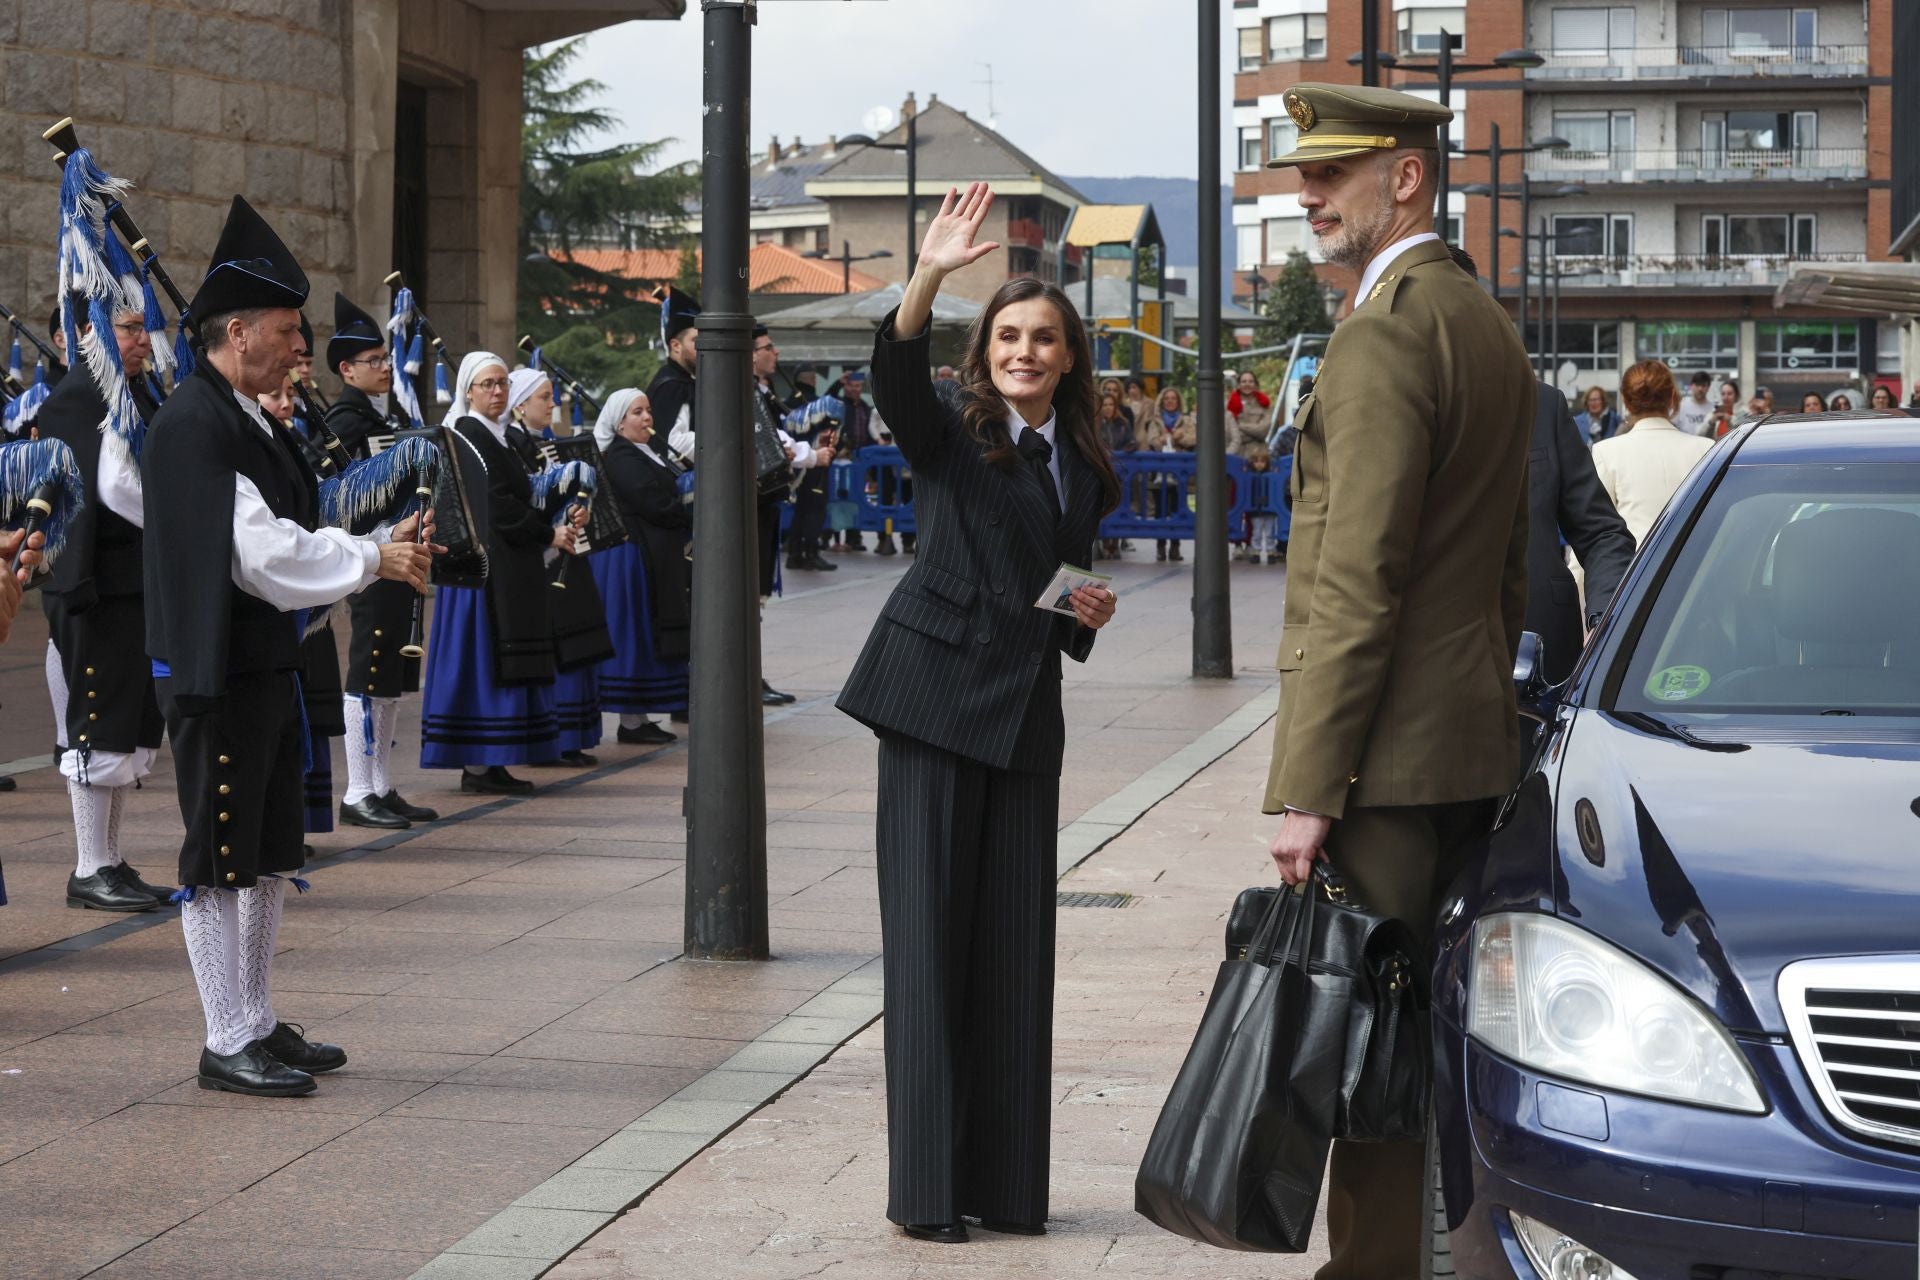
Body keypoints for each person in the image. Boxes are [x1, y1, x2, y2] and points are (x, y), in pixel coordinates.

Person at [1263, 83, 1535, 1277]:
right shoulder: (1481, 318)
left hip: (1378, 764)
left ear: (1408, 178)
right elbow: (1512, 569)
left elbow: (1356, 581)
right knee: (1433, 1043)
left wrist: (1312, 782)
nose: (1307, 192)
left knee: (1364, 1052)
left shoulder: (1383, 331)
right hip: (1463, 746)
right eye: (1303, 174)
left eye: (1333, 172)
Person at [836, 183, 1119, 1244]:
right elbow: (893, 375)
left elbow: (1049, 585)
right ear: (986, 350)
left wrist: (1080, 607)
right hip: (930, 705)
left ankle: (1006, 1187)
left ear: (1068, 354)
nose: (1025, 351)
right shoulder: (952, 432)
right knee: (927, 950)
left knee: (1013, 957)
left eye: (1044, 336)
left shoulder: (1085, 464)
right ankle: (925, 1194)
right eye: (1008, 335)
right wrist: (929, 276)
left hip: (1022, 721)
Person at [143, 196, 435, 1095]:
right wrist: (371, 556)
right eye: (285, 329)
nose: (298, 345)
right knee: (221, 852)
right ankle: (224, 1036)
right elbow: (263, 553)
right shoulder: (196, 421)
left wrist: (363, 547)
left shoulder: (246, 414)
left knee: (270, 849)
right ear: (237, 331)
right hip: (216, 669)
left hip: (261, 659)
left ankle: (258, 1019)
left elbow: (290, 527)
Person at [37, 285, 168, 911]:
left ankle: (110, 859)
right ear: (88, 333)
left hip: (134, 585)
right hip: (96, 589)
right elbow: (112, 494)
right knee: (97, 726)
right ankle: (90, 867)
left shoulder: (133, 393)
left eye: (144, 329)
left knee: (128, 728)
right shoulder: (77, 398)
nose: (143, 340)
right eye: (129, 329)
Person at [419, 352, 575, 794]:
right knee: (484, 661)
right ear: (468, 390)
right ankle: (479, 763)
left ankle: (495, 759)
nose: (497, 391)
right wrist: (547, 532)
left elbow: (518, 495)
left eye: (503, 383)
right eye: (487, 384)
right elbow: (498, 503)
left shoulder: (497, 435)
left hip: (508, 563)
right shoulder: (469, 433)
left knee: (502, 659)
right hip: (483, 571)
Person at [322, 292, 438, 827]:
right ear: (346, 369)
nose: (386, 366)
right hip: (371, 554)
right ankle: (357, 791)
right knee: (368, 667)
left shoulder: (385, 413)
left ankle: (382, 784)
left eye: (386, 358)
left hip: (401, 548)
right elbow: (340, 495)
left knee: (392, 670)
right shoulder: (344, 420)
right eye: (373, 361)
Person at [508, 368, 613, 766]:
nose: (553, 404)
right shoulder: (514, 446)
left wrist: (574, 510)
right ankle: (553, 737)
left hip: (565, 552)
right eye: (544, 397)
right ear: (520, 405)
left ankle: (573, 735)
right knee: (555, 644)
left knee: (579, 637)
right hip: (542, 556)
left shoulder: (543, 446)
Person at [591, 389, 691, 745]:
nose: (647, 418)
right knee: (634, 635)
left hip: (650, 553)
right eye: (638, 412)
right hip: (631, 556)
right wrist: (687, 501)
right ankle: (631, 721)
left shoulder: (647, 452)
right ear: (620, 422)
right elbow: (653, 501)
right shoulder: (620, 456)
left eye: (648, 410)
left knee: (645, 635)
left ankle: (640, 717)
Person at [1526, 384, 1634, 683]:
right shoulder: (1395, 398)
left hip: (1541, 656)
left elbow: (1602, 532)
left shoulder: (1543, 403)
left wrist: (1605, 622)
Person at [1590, 359, 1715, 548]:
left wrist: (1577, 576)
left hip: (1634, 571)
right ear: (1672, 397)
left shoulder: (1606, 452)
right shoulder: (1706, 448)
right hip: (1696, 569)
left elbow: (1596, 530)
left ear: (1626, 401)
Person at [651, 286, 700, 468]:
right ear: (676, 346)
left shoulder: (688, 381)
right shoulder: (671, 385)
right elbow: (673, 446)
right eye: (696, 341)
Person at [1148, 386, 1193, 563]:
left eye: (1173, 398)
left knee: (1177, 509)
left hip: (1180, 474)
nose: (1170, 401)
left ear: (1178, 401)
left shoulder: (1186, 420)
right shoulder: (1155, 421)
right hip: (1160, 472)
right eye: (1166, 398)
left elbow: (1193, 438)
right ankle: (1160, 547)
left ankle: (1175, 547)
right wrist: (1170, 438)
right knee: (1161, 510)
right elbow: (1153, 441)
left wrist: (1175, 438)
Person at [1094, 390, 1132, 559]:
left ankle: (1115, 543)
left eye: (1111, 405)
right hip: (1101, 472)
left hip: (1119, 473)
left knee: (1118, 505)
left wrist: (1124, 451)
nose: (1108, 408)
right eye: (1105, 405)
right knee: (1102, 507)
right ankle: (1104, 543)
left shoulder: (1123, 423)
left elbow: (1132, 441)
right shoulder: (1095, 424)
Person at [1226, 369, 1269, 457]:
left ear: (1256, 385)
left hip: (1259, 456)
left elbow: (1262, 431)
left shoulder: (1264, 404)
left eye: (1250, 381)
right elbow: (1227, 432)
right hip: (1235, 453)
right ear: (1238, 385)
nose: (1247, 384)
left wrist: (1239, 425)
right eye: (1243, 381)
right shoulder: (1229, 405)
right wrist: (1253, 431)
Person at [1672, 370, 1713, 435]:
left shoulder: (1713, 408)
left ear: (1708, 387)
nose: (1700, 389)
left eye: (1703, 385)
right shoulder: (1681, 405)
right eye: (1697, 385)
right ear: (1691, 386)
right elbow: (1672, 426)